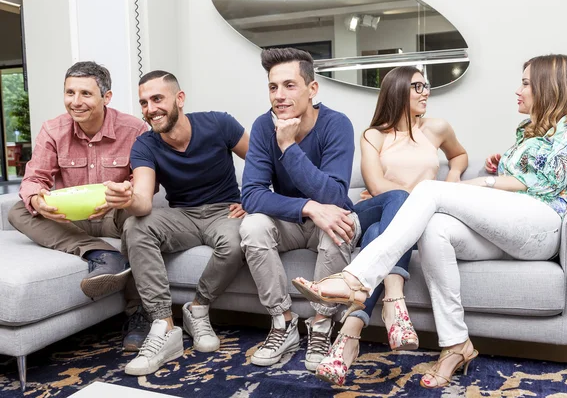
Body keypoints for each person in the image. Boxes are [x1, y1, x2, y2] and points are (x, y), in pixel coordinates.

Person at [293, 53, 567, 389]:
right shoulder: (528, 131)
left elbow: (549, 179)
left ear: (547, 86)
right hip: (515, 221)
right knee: (434, 229)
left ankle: (356, 278)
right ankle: (456, 344)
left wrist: (484, 181)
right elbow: (525, 175)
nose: (518, 90)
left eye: (525, 83)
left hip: (542, 224)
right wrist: (500, 168)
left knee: (429, 193)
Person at [312, 66, 467, 385]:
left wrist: (451, 182)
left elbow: (460, 156)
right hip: (374, 206)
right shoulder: (374, 135)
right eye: (418, 87)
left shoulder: (437, 129)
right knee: (395, 201)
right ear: (397, 92)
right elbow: (377, 184)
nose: (426, 92)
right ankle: (394, 296)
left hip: (394, 226)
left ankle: (347, 341)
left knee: (377, 235)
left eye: (427, 85)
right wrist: (420, 204)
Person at [104, 70, 250, 376]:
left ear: (179, 99)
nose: (150, 108)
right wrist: (127, 198)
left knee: (238, 241)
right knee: (135, 225)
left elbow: (262, 162)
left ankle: (198, 308)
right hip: (181, 215)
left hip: (224, 211)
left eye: (157, 98)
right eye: (144, 102)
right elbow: (144, 201)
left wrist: (253, 200)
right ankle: (164, 325)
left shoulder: (219, 123)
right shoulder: (145, 145)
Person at [239, 47, 360, 371]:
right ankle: (283, 323)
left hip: (328, 223)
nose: (279, 95)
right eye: (273, 86)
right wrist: (307, 207)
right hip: (293, 221)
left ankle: (321, 324)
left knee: (340, 223)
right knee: (252, 225)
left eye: (289, 85)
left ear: (312, 89)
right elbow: (251, 194)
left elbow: (334, 194)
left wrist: (289, 146)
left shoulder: (337, 125)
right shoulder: (264, 126)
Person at [8, 61, 147, 299]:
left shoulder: (134, 129)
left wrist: (127, 192)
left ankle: (138, 309)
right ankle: (101, 253)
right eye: (70, 93)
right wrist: (37, 198)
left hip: (115, 215)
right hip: (70, 218)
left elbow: (145, 183)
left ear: (107, 97)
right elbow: (34, 178)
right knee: (18, 211)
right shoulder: (53, 130)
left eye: (86, 93)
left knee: (145, 218)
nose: (76, 102)